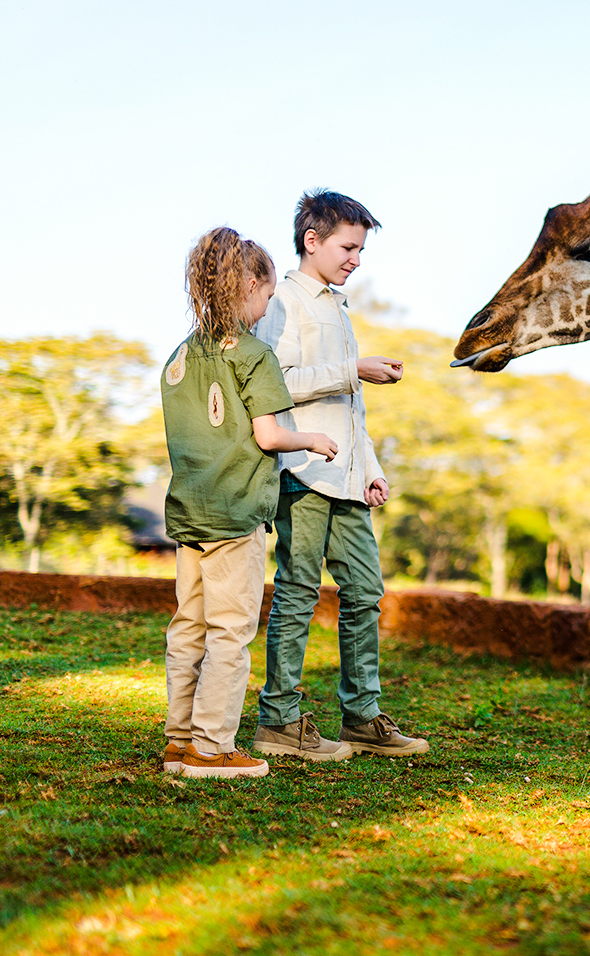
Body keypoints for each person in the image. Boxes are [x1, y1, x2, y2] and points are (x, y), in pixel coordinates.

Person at [251, 189, 429, 760]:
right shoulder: (282, 300)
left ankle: (362, 716)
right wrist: (352, 368)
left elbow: (351, 411)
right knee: (298, 593)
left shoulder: (338, 305)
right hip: (301, 469)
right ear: (313, 240)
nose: (357, 258)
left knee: (364, 593)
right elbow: (274, 383)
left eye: (360, 248)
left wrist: (370, 469)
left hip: (348, 479)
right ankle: (279, 719)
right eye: (348, 247)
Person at [160, 227, 338, 779]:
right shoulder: (254, 354)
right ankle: (212, 749)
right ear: (250, 284)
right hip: (236, 513)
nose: (267, 309)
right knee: (231, 633)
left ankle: (179, 743)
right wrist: (310, 439)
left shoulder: (179, 357)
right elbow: (267, 436)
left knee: (189, 624)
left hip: (190, 512)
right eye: (266, 297)